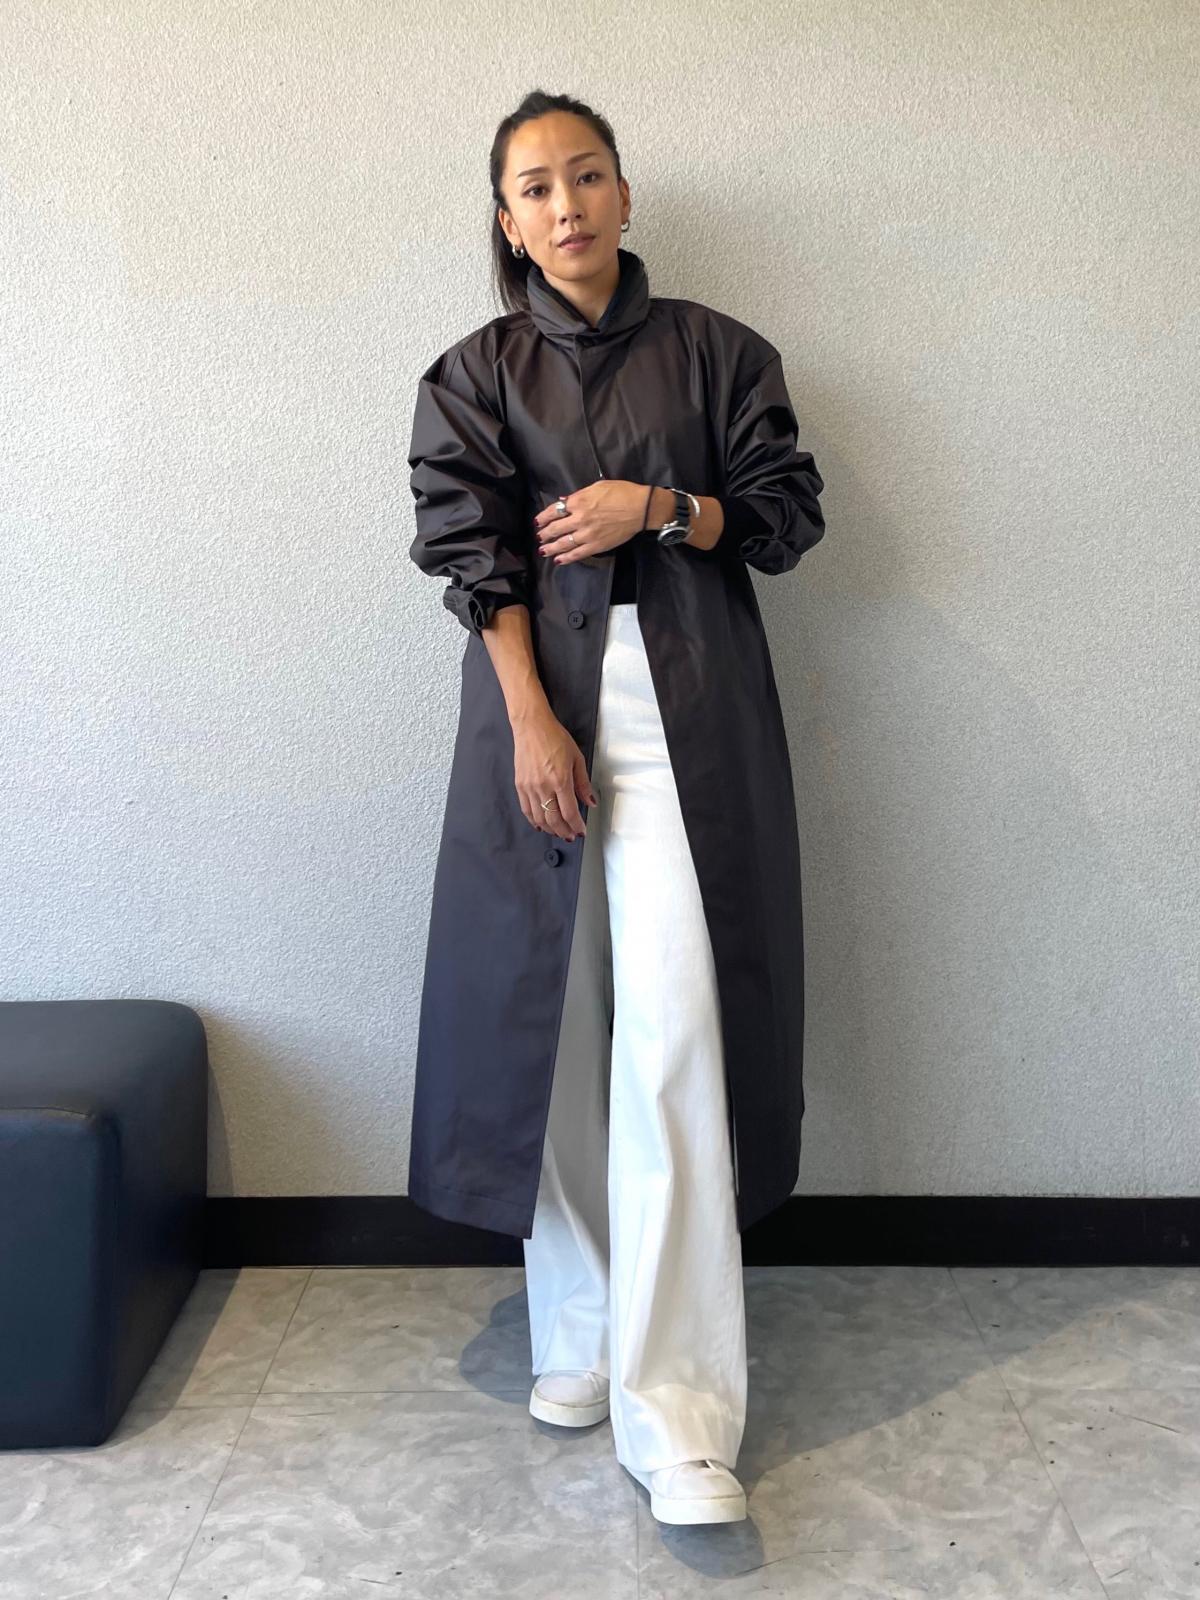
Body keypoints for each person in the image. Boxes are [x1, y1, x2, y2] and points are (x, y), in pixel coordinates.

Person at [406, 89, 825, 1527]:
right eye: (535, 187)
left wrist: (660, 506)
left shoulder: (721, 352)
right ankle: (578, 1334)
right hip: (542, 716)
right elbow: (473, 560)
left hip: (691, 716)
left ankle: (682, 1415)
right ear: (508, 221)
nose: (566, 203)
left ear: (626, 195)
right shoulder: (473, 374)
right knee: (556, 1031)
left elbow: (785, 517)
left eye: (586, 175)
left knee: (674, 1038)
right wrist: (531, 721)